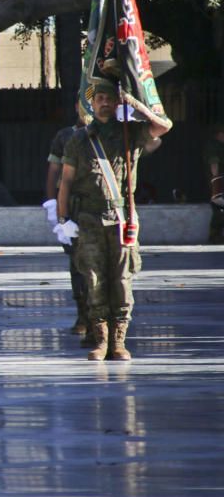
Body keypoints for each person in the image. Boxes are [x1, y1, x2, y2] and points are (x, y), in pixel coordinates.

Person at [56, 79, 173, 361]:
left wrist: (134, 102)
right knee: (94, 280)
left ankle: (119, 341)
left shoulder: (130, 134)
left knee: (121, 280)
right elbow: (66, 181)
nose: (105, 103)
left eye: (110, 98)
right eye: (99, 99)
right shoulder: (79, 140)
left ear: (118, 102)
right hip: (89, 219)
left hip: (122, 218)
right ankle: (100, 340)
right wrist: (62, 219)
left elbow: (164, 126)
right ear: (91, 104)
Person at [43, 116, 89, 336]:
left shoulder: (116, 133)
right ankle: (83, 313)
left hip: (101, 207)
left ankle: (103, 320)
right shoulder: (65, 136)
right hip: (72, 206)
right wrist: (54, 208)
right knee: (78, 264)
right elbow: (54, 171)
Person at [203, 124, 224, 244]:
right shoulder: (213, 146)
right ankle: (215, 235)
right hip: (218, 182)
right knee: (219, 209)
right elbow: (214, 164)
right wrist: (216, 180)